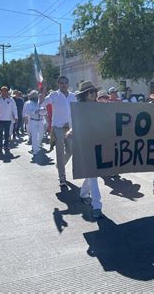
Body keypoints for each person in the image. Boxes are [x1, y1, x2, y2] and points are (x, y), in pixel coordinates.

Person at [42, 76, 77, 186]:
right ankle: (62, 177)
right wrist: (43, 90)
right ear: (58, 84)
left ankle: (60, 165)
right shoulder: (54, 95)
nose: (63, 85)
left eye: (65, 83)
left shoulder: (73, 96)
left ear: (68, 83)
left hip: (70, 128)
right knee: (60, 153)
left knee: (71, 151)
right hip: (58, 128)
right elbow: (42, 103)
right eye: (61, 83)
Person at [76, 81, 103, 219]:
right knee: (93, 174)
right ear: (84, 94)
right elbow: (76, 124)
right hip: (85, 143)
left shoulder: (99, 107)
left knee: (93, 174)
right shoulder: (79, 109)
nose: (93, 94)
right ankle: (97, 205)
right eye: (90, 92)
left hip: (98, 142)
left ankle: (83, 194)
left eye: (94, 91)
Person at [0, 86, 18, 154]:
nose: (4, 92)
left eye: (6, 91)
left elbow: (14, 108)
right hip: (0, 119)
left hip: (8, 119)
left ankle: (6, 146)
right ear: (1, 91)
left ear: (7, 92)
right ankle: (0, 147)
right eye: (3, 91)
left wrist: (16, 117)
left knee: (7, 134)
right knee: (0, 134)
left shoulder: (11, 100)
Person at [23, 90, 46, 156]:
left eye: (36, 95)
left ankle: (38, 145)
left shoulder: (40, 102)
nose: (35, 96)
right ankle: (35, 150)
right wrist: (35, 112)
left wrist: (43, 111)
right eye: (34, 95)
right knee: (34, 135)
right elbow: (27, 112)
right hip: (33, 121)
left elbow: (44, 111)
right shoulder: (28, 103)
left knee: (41, 134)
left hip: (41, 120)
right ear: (31, 96)